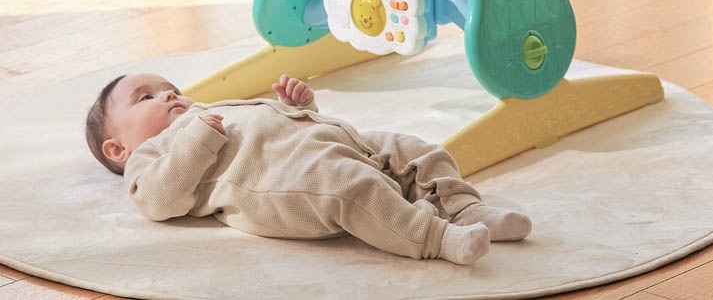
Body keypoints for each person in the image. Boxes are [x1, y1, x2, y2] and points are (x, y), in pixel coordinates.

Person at [86, 72, 531, 265]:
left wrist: (298, 107)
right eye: (146, 98)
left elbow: (276, 126)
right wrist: (196, 140)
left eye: (170, 88)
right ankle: (436, 238)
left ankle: (464, 207)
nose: (169, 95)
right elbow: (160, 201)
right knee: (351, 188)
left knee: (411, 148)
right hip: (288, 182)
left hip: (328, 142)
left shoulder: (207, 110)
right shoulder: (150, 155)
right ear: (117, 148)